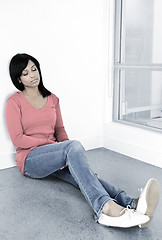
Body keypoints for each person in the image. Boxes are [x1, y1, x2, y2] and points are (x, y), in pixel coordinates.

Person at [5, 53, 160, 228]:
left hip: (54, 154)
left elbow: (59, 130)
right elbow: (18, 139)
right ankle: (105, 209)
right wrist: (60, 148)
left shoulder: (52, 99)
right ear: (18, 78)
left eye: (34, 69)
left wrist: (67, 155)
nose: (33, 75)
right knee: (73, 149)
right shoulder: (14, 102)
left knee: (85, 176)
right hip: (30, 160)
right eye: (26, 73)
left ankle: (131, 203)